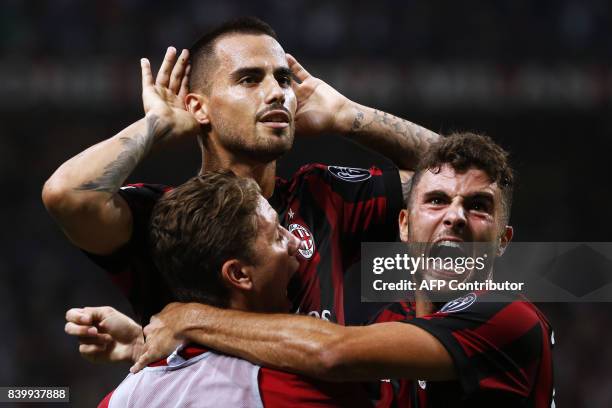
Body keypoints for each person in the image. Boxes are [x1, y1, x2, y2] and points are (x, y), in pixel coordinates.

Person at [44, 16, 440, 343]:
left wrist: (348, 115)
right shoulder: (164, 219)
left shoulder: (324, 194)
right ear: (198, 107)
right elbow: (67, 194)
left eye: (283, 80)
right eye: (250, 80)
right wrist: (155, 126)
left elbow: (466, 180)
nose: (277, 94)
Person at [120, 133, 553, 407]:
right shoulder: (392, 319)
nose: (455, 216)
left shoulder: (508, 316)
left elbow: (332, 353)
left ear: (502, 241)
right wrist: (152, 347)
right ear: (402, 225)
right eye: (437, 200)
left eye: (478, 207)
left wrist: (190, 318)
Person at [97, 171, 373, 407]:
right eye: (278, 235)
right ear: (239, 274)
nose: (296, 243)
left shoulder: (125, 396)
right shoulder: (299, 387)